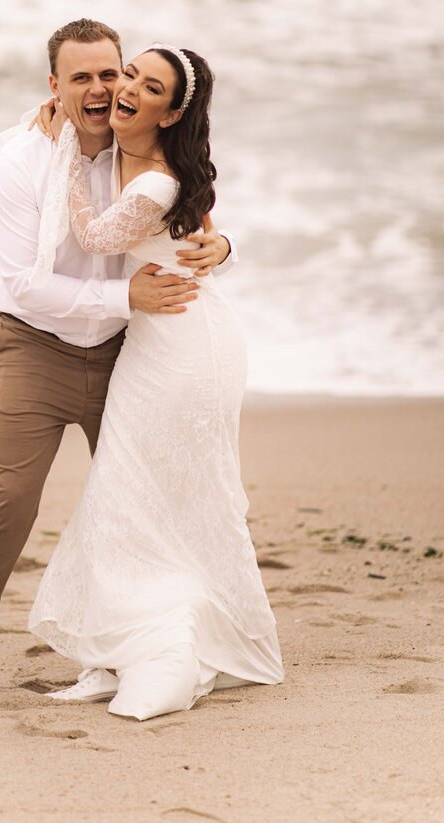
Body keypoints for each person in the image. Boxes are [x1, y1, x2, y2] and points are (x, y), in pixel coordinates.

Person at [0, 19, 235, 712]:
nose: (101, 89)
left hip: (129, 356)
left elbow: (190, 219)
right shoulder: (20, 162)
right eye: (82, 78)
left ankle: (149, 644)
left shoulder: (148, 145)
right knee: (7, 503)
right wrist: (122, 293)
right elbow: (24, 283)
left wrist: (225, 249)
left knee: (146, 503)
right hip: (34, 349)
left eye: (111, 72)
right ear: (55, 87)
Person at [26, 42, 284, 720]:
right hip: (167, 336)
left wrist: (62, 153)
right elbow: (203, 241)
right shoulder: (137, 160)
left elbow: (95, 236)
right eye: (129, 73)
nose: (129, 87)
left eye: (149, 85)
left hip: (184, 347)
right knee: (140, 495)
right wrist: (223, 246)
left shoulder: (156, 181)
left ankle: (163, 639)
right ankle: (138, 636)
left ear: (171, 113)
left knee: (138, 492)